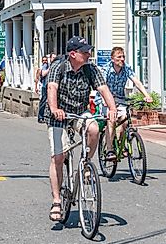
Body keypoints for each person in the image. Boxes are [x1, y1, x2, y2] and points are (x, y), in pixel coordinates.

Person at [46, 36, 117, 222]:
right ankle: (56, 201)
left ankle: (85, 164)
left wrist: (112, 108)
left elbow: (103, 89)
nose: (88, 54)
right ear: (73, 54)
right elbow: (51, 88)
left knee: (93, 129)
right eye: (85, 52)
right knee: (58, 157)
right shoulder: (58, 67)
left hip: (79, 111)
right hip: (59, 115)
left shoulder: (90, 69)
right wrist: (54, 109)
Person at [101, 47, 152, 160]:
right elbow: (102, 86)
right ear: (112, 59)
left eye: (123, 56)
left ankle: (120, 143)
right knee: (111, 120)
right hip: (106, 99)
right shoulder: (106, 69)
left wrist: (146, 95)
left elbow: (136, 81)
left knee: (124, 121)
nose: (122, 59)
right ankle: (109, 150)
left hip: (120, 99)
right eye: (119, 57)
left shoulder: (126, 68)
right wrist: (105, 100)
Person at [34, 55, 50, 123]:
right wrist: (36, 87)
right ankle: (40, 117)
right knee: (43, 102)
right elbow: (37, 78)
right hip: (42, 86)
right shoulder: (41, 68)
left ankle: (46, 116)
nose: (45, 62)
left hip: (48, 86)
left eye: (46, 60)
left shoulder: (48, 66)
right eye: (43, 60)